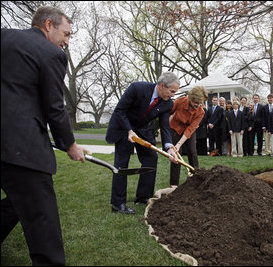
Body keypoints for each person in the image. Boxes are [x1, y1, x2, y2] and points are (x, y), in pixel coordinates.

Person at [1, 6, 90, 265]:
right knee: (43, 220)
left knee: (18, 203)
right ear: (48, 25)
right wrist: (70, 145)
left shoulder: (4, 37)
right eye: (66, 33)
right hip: (20, 148)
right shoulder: (50, 53)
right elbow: (54, 107)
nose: (67, 41)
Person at [106, 72, 179, 214]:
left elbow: (164, 126)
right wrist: (129, 131)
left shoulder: (167, 103)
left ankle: (143, 196)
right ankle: (118, 203)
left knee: (151, 158)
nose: (173, 95)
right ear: (162, 86)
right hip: (123, 127)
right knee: (122, 164)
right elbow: (120, 111)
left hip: (143, 130)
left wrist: (169, 147)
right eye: (172, 91)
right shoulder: (137, 88)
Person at [169, 86, 208, 185]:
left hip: (189, 130)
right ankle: (174, 184)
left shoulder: (201, 111)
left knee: (192, 151)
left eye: (200, 103)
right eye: (196, 103)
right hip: (175, 128)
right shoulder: (180, 101)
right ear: (190, 99)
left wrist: (179, 144)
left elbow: (190, 129)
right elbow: (169, 112)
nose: (198, 105)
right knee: (176, 155)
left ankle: (196, 180)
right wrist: (165, 125)